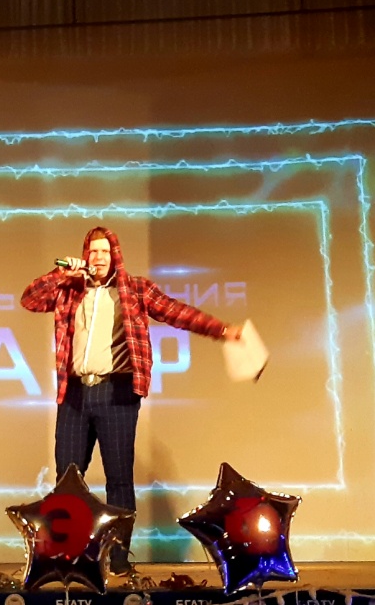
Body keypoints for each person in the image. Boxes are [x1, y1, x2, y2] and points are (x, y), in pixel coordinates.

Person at [20, 225, 243, 575]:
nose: (98, 258)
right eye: (92, 252)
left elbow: (175, 312)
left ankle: (120, 558)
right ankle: (68, 556)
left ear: (115, 257)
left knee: (119, 479)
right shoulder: (69, 289)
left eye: (104, 252)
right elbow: (30, 300)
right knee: (67, 480)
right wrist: (60, 275)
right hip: (74, 393)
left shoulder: (135, 289)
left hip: (118, 392)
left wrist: (221, 330)